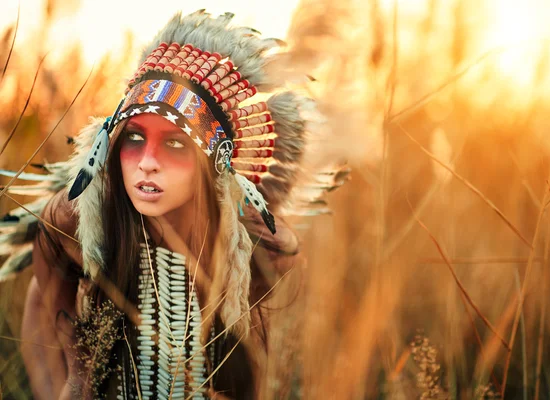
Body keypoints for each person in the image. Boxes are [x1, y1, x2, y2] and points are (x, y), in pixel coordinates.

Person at [5, 9, 341, 399]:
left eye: (176, 143)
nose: (148, 161)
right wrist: (75, 379)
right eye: (134, 138)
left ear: (213, 168)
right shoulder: (72, 218)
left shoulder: (264, 248)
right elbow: (43, 302)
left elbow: (255, 370)